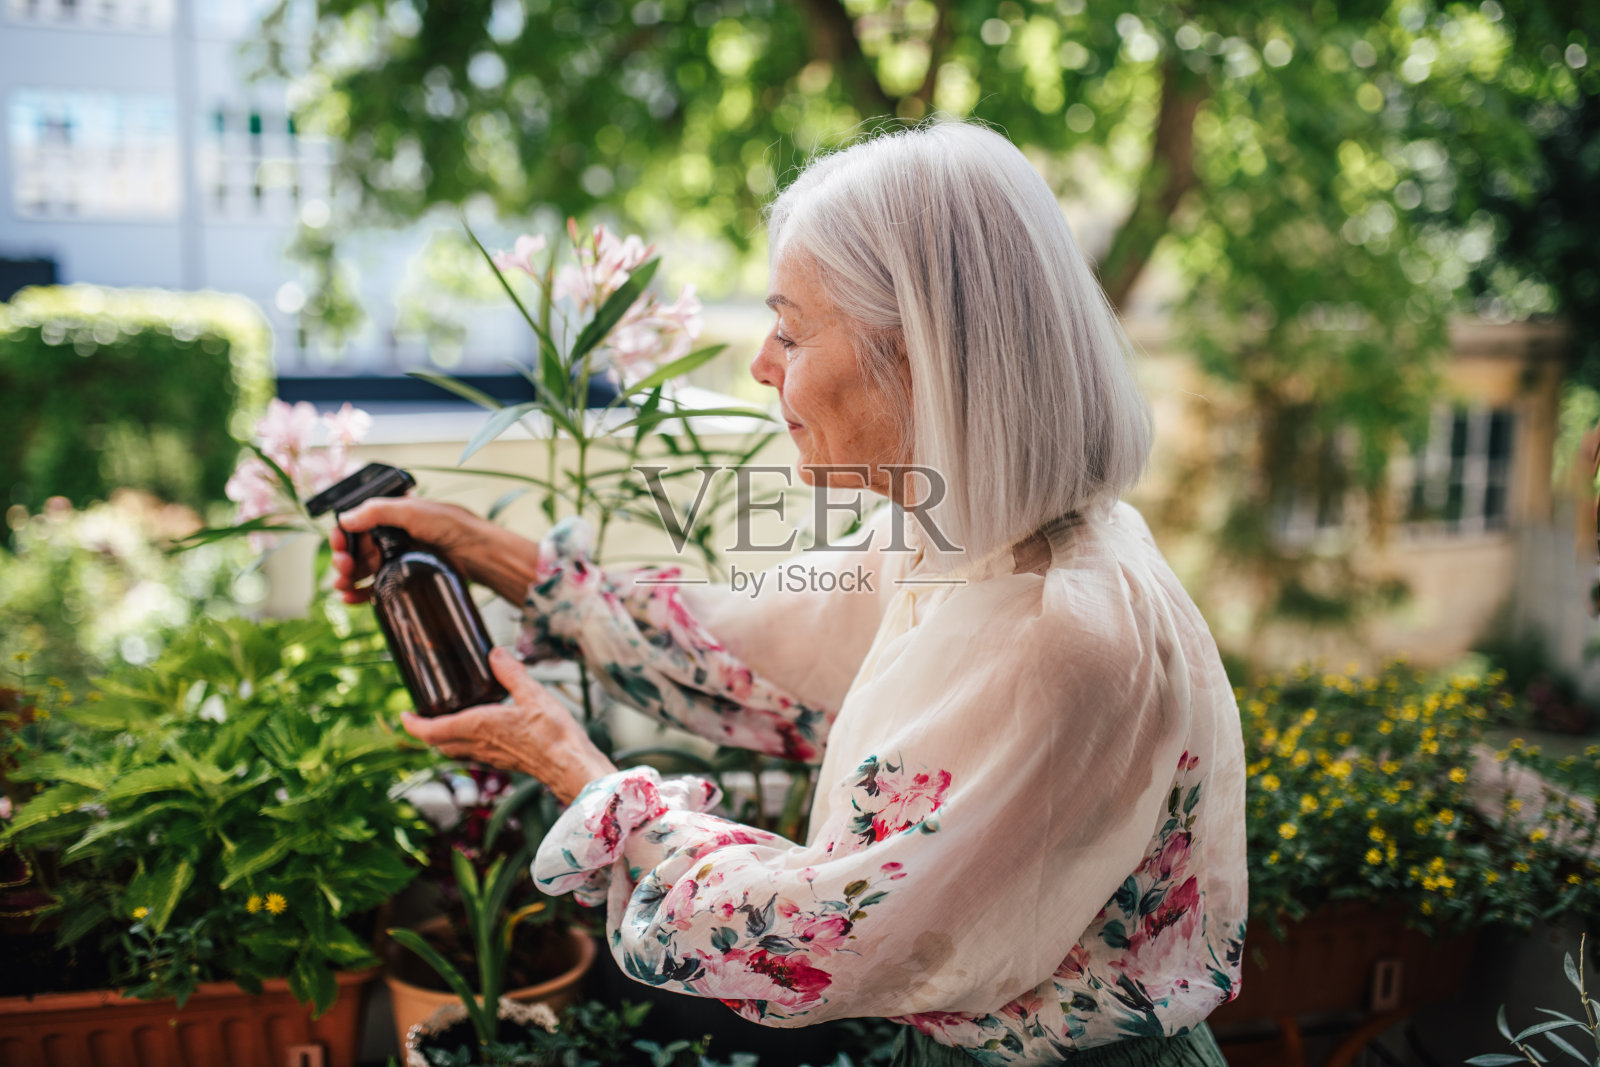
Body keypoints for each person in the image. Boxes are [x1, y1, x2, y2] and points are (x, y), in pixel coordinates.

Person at [332, 121, 1246, 1066]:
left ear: (918, 351)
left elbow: (822, 934)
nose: (765, 364)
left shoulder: (1056, 635)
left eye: (791, 329)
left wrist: (575, 769)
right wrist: (477, 547)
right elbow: (749, 645)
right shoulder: (964, 538)